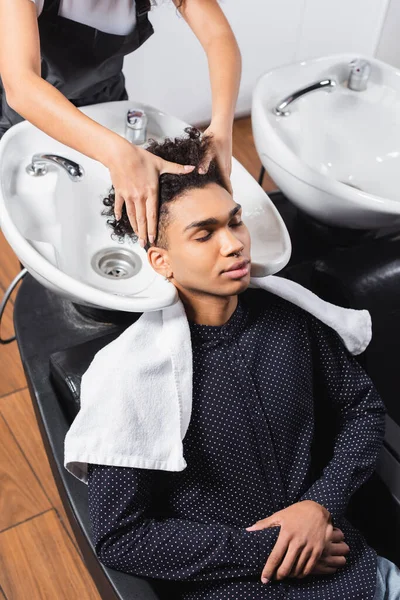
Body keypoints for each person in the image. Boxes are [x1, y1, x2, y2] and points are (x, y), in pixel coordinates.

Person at [89, 127, 399, 599]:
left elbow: (362, 408)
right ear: (161, 261)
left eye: (234, 222)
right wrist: (271, 547)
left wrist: (319, 505)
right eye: (204, 234)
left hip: (358, 573)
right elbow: (122, 537)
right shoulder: (133, 379)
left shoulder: (292, 318)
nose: (234, 244)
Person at [0, 0, 240, 248]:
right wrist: (118, 153)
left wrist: (221, 127)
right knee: (38, 224)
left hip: (105, 99)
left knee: (104, 209)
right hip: (30, 115)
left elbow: (218, 37)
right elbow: (21, 86)